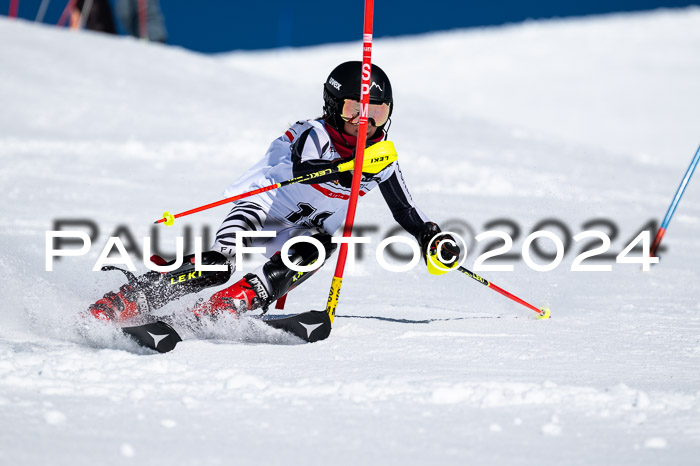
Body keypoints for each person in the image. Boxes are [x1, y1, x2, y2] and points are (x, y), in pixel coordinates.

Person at [88, 61, 460, 322]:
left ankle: (228, 306)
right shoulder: (312, 133)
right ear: (332, 107)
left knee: (317, 248)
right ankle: (133, 298)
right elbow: (302, 168)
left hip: (305, 226)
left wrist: (430, 237)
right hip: (262, 207)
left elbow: (404, 210)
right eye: (353, 111)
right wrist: (350, 172)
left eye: (375, 114)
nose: (363, 123)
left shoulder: (380, 156)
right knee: (220, 265)